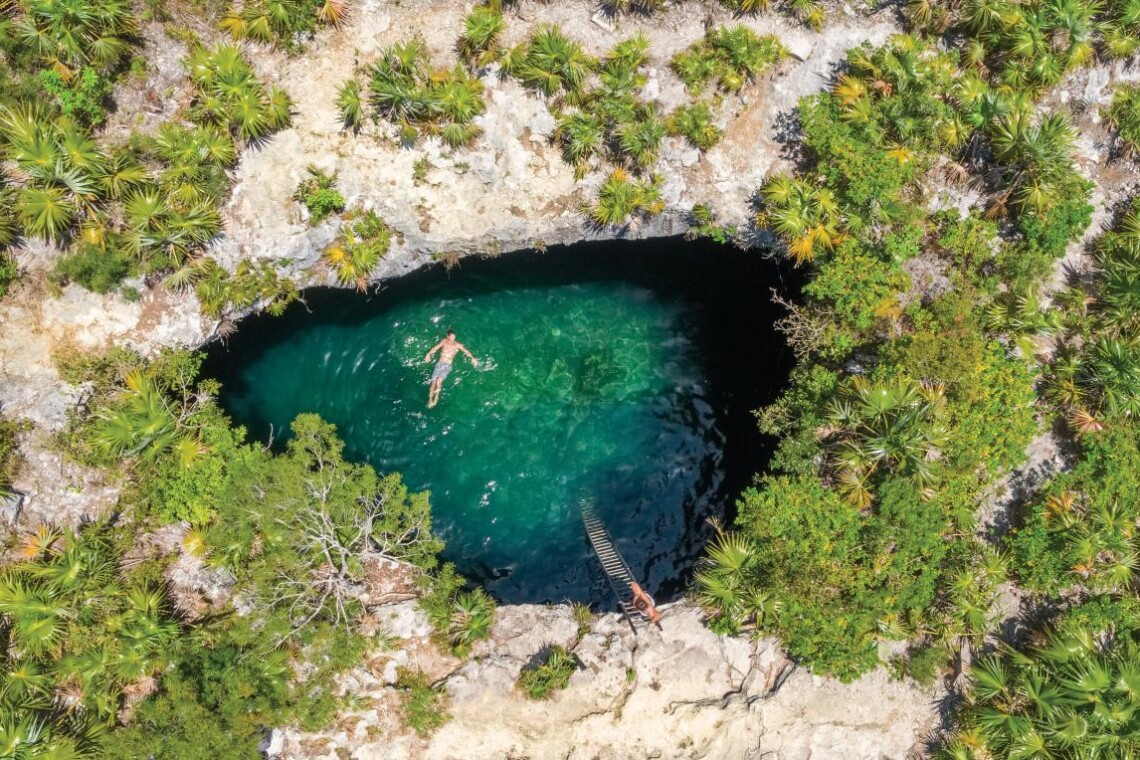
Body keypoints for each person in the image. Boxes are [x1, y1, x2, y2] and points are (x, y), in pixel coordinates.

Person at [424, 329, 477, 408]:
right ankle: (430, 399)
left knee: (439, 382)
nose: (453, 339)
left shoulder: (457, 345)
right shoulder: (444, 341)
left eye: (454, 337)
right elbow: (436, 347)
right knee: (433, 381)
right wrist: (428, 354)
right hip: (440, 363)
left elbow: (466, 351)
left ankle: (436, 399)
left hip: (447, 366)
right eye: (451, 337)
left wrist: (472, 358)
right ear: (448, 336)